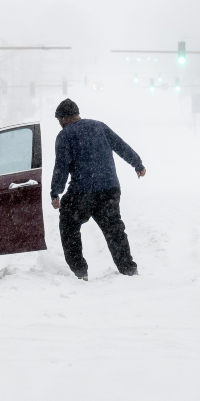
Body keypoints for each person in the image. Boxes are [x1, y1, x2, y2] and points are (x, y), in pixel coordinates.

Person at [50, 98, 146, 280]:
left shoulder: (64, 136)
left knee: (69, 226)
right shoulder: (99, 126)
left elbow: (61, 167)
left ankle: (79, 272)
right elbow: (120, 145)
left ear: (63, 119)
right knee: (114, 230)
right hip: (109, 189)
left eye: (59, 121)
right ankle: (128, 270)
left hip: (82, 192)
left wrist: (56, 192)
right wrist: (137, 163)